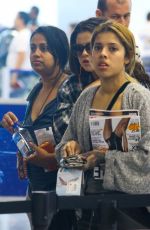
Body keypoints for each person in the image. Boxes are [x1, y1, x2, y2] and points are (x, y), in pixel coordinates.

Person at [56, 20, 150, 229]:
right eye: (97, 47)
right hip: (88, 207)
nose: (102, 54)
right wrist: (70, 148)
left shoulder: (141, 99)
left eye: (112, 48)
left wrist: (103, 157)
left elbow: (148, 158)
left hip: (134, 209)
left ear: (127, 57)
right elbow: (61, 147)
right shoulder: (85, 98)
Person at [2, 25, 75, 229]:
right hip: (36, 189)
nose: (36, 53)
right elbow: (34, 135)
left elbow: (79, 142)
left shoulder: (70, 89)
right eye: (33, 48)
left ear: (59, 52)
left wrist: (50, 159)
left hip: (64, 192)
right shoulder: (36, 90)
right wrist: (15, 129)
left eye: (44, 48)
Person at [6, 11, 37, 98]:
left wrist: (14, 75)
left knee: (17, 101)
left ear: (21, 20)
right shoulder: (22, 34)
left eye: (16, 18)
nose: (14, 20)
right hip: (19, 74)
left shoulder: (23, 35)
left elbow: (21, 55)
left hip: (20, 75)